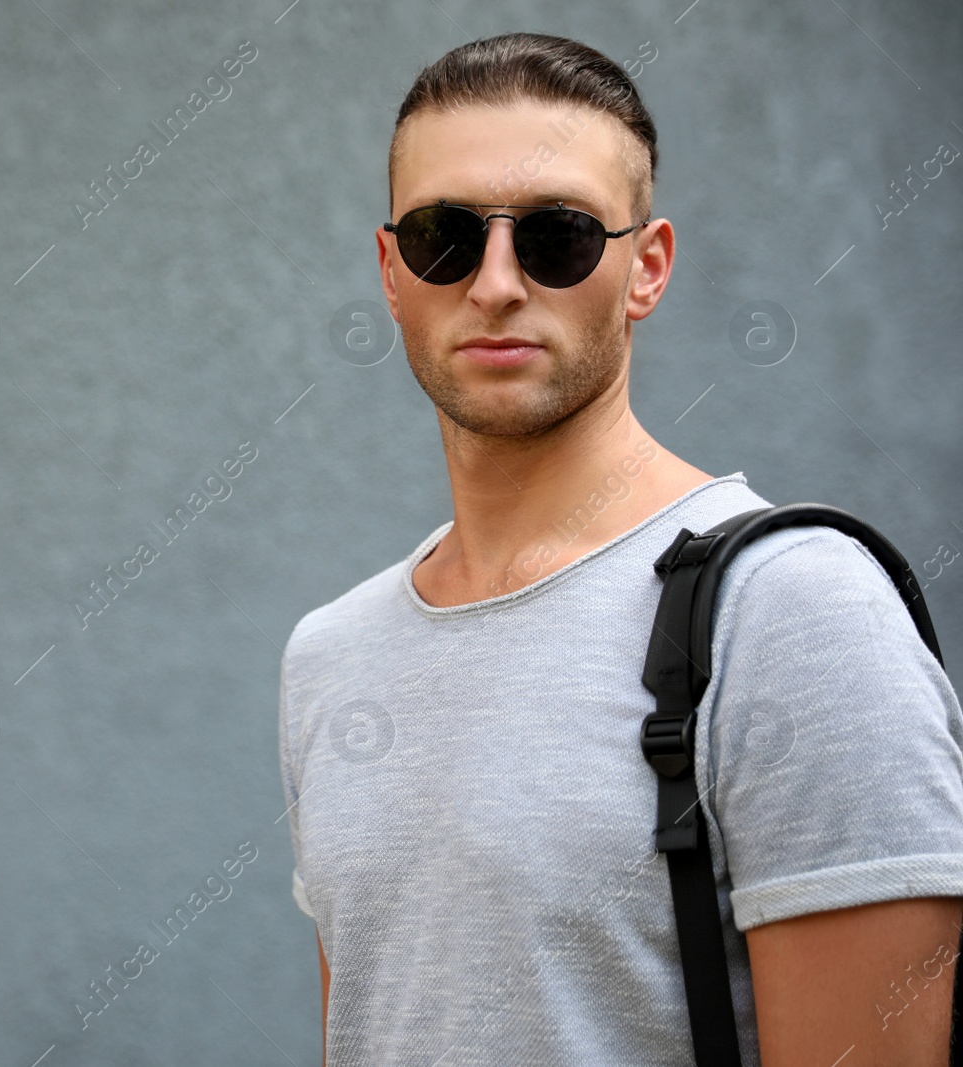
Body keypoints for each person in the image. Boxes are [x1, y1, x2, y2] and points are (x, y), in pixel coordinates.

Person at [277, 31, 963, 1066]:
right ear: (389, 272)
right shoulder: (331, 654)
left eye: (555, 236)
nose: (496, 282)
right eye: (443, 236)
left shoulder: (796, 615)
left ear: (645, 267)